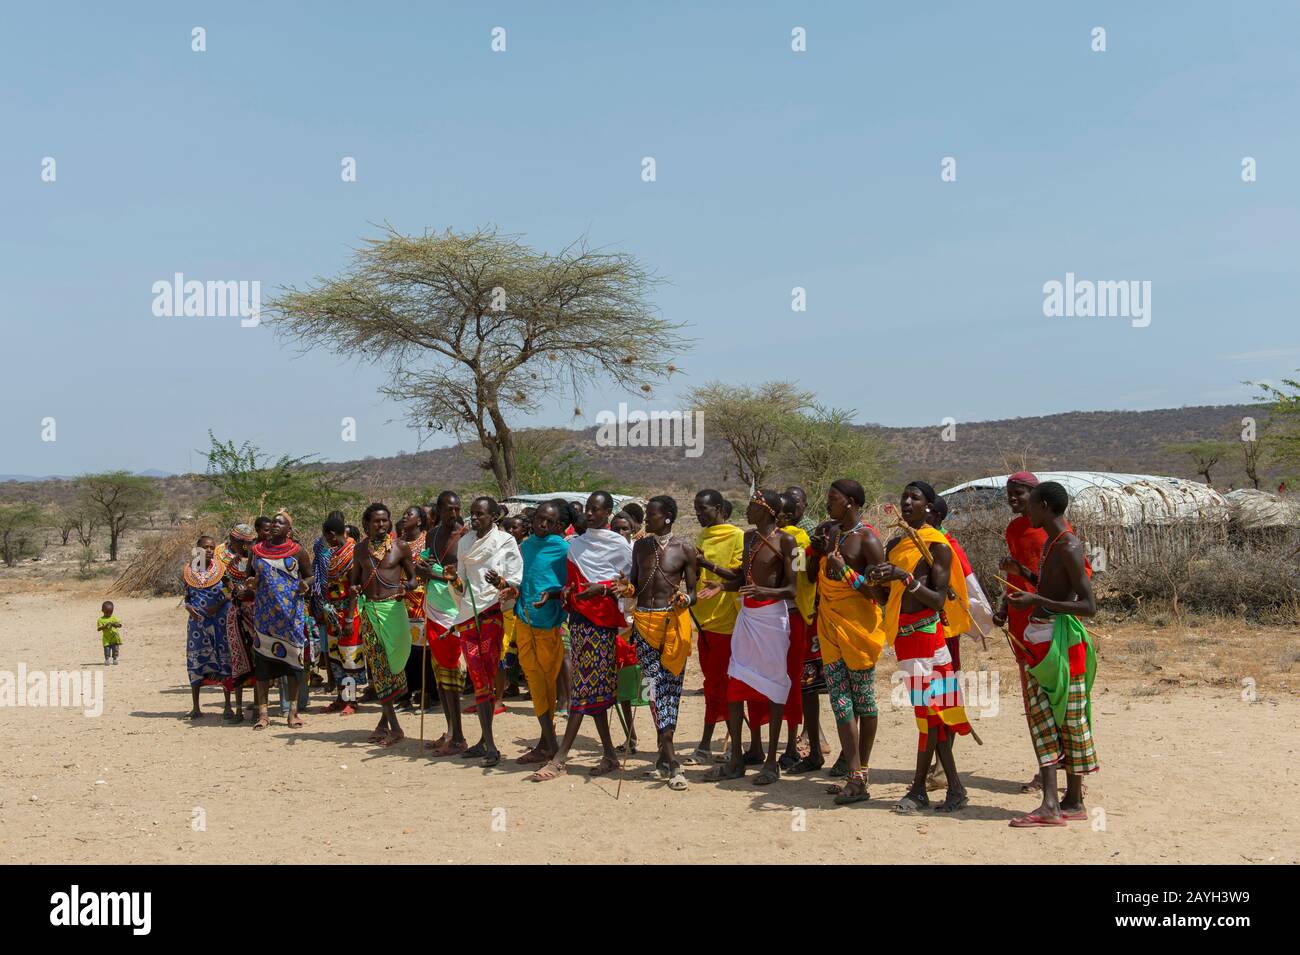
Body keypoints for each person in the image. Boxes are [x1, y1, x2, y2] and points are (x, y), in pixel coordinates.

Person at [869, 482, 973, 813]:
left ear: (929, 506)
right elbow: (887, 598)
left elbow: (938, 598)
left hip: (928, 635)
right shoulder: (896, 543)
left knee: (929, 715)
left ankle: (918, 790)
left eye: (915, 497)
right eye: (904, 496)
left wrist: (905, 577)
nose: (907, 501)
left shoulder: (937, 545)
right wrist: (870, 579)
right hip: (905, 636)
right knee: (933, 714)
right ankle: (954, 789)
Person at [1007, 481, 1099, 827]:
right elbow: (1053, 586)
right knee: (1062, 721)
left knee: (1055, 722)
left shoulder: (1069, 546)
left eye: (1030, 505)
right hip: (1044, 639)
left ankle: (1051, 806)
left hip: (1060, 644)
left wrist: (1036, 601)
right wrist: (1025, 576)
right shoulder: (1054, 544)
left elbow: (1088, 605)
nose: (1025, 510)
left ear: (1045, 506)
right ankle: (1071, 801)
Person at [533, 491, 632, 781]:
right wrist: (553, 594)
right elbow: (570, 585)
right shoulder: (574, 545)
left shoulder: (619, 545)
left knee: (582, 689)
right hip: (577, 622)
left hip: (601, 624)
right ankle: (610, 756)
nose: (590, 514)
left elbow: (627, 584)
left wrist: (600, 589)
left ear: (608, 514)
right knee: (593, 689)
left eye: (597, 510)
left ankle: (559, 759)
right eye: (588, 509)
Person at [700, 489, 797, 786]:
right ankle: (736, 759)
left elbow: (792, 589)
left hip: (772, 620)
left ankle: (771, 763)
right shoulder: (748, 538)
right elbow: (742, 579)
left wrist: (764, 592)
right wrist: (714, 575)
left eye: (754, 506)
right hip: (747, 617)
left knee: (774, 686)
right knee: (736, 682)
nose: (748, 511)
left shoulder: (787, 541)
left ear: (767, 510)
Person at [808, 479, 887, 804]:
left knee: (864, 702)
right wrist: (817, 551)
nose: (828, 504)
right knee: (840, 701)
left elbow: (881, 594)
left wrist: (849, 574)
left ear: (851, 502)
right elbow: (813, 576)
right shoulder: (831, 533)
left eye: (833, 498)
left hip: (859, 630)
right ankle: (853, 774)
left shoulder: (868, 539)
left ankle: (862, 771)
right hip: (829, 627)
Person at [626, 495, 697, 790]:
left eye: (652, 515)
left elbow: (693, 590)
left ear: (667, 516)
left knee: (671, 689)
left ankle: (662, 757)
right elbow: (633, 583)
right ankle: (673, 762)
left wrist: (685, 598)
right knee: (655, 689)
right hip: (644, 622)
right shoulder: (640, 546)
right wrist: (623, 588)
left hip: (672, 624)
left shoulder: (685, 549)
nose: (647, 519)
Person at [924, 495, 995, 789]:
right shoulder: (913, 546)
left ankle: (942, 769)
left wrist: (981, 623)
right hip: (919, 634)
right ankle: (935, 762)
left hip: (943, 633)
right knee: (926, 699)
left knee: (944, 697)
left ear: (937, 516)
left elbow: (968, 591)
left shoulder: (945, 547)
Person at [450, 495, 523, 768]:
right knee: (478, 677)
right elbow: (461, 582)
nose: (475, 518)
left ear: (494, 517)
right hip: (468, 615)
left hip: (492, 613)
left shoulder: (505, 542)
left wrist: (501, 584)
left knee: (487, 678)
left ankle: (488, 742)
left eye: (480, 514)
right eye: (472, 514)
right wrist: (452, 580)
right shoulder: (465, 543)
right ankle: (487, 743)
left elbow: (515, 580)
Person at [992, 471, 1050, 793]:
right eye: (1009, 494)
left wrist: (1022, 572)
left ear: (1036, 494)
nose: (1013, 500)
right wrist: (1004, 605)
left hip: (1047, 623)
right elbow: (1015, 577)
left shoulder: (1054, 530)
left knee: (1054, 698)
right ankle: (1045, 769)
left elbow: (1059, 585)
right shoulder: (1014, 529)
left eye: (1019, 494)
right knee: (1032, 701)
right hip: (1019, 625)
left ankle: (1068, 774)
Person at [685, 489, 744, 765]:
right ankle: (718, 744)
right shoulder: (702, 536)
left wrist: (705, 562)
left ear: (719, 508)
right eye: (696, 508)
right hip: (703, 621)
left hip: (727, 622)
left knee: (723, 685)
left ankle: (716, 744)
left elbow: (738, 576)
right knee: (713, 684)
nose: (698, 513)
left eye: (703, 509)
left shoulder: (736, 536)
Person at [350, 503, 415, 746]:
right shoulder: (359, 550)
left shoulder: (401, 547)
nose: (381, 525)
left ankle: (382, 722)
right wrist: (354, 589)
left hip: (394, 612)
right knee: (379, 669)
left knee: (395, 665)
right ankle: (395, 728)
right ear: (366, 524)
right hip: (370, 613)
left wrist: (404, 589)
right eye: (376, 521)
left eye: (385, 521)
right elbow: (355, 582)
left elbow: (413, 580)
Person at [513, 502, 570, 767]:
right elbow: (519, 579)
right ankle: (548, 743)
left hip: (548, 623)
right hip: (524, 618)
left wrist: (555, 595)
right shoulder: (524, 547)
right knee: (534, 679)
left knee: (547, 681)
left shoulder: (564, 549)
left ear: (558, 525)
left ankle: (548, 743)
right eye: (539, 519)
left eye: (549, 521)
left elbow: (569, 585)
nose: (543, 525)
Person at [248, 512, 313, 730]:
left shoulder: (298, 552)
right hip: (265, 617)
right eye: (274, 522)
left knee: (293, 665)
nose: (275, 525)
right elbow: (250, 577)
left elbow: (310, 576)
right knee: (263, 667)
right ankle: (264, 714)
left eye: (281, 522)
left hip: (290, 617)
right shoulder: (256, 551)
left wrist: (306, 584)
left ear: (289, 530)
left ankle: (292, 713)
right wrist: (250, 584)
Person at [419, 491, 469, 755]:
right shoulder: (432, 534)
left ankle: (459, 737)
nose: (454, 514)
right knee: (440, 677)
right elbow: (426, 561)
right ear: (438, 510)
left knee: (452, 676)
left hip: (454, 611)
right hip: (434, 609)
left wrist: (434, 574)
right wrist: (421, 569)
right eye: (449, 509)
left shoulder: (466, 537)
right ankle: (450, 731)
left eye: (457, 509)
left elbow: (463, 577)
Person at [318, 512, 366, 714]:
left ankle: (351, 700)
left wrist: (348, 618)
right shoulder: (334, 554)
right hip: (333, 613)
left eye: (325, 536)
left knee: (349, 657)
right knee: (336, 657)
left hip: (349, 612)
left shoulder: (353, 552)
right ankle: (340, 697)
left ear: (331, 534)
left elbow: (355, 586)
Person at [183, 534, 234, 719]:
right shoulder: (189, 571)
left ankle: (228, 706)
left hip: (219, 622)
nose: (210, 551)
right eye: (206, 547)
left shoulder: (222, 570)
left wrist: (217, 606)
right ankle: (196, 707)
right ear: (197, 549)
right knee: (196, 661)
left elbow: (230, 592)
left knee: (223, 661)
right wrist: (189, 608)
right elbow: (186, 598)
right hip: (197, 625)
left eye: (212, 547)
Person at [217, 524, 259, 719]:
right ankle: (240, 709)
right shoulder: (231, 563)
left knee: (257, 659)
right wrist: (232, 592)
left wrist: (248, 592)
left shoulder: (256, 561)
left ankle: (259, 706)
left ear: (242, 544)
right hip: (235, 613)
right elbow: (225, 585)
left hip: (254, 614)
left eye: (233, 540)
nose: (230, 543)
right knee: (238, 660)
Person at [397, 506, 433, 713]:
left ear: (419, 521)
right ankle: (405, 695)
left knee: (423, 651)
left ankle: (426, 695)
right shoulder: (397, 543)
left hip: (422, 600)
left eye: (409, 514)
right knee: (405, 650)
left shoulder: (427, 541)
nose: (404, 517)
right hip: (401, 601)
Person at [97, 600, 123, 666]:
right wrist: (104, 626)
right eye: (107, 612)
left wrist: (114, 624)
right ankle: (107, 659)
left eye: (110, 612)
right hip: (106, 638)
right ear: (102, 610)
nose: (108, 614)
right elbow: (99, 629)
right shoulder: (100, 619)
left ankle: (115, 659)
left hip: (114, 637)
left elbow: (120, 625)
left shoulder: (114, 618)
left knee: (115, 649)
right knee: (107, 649)